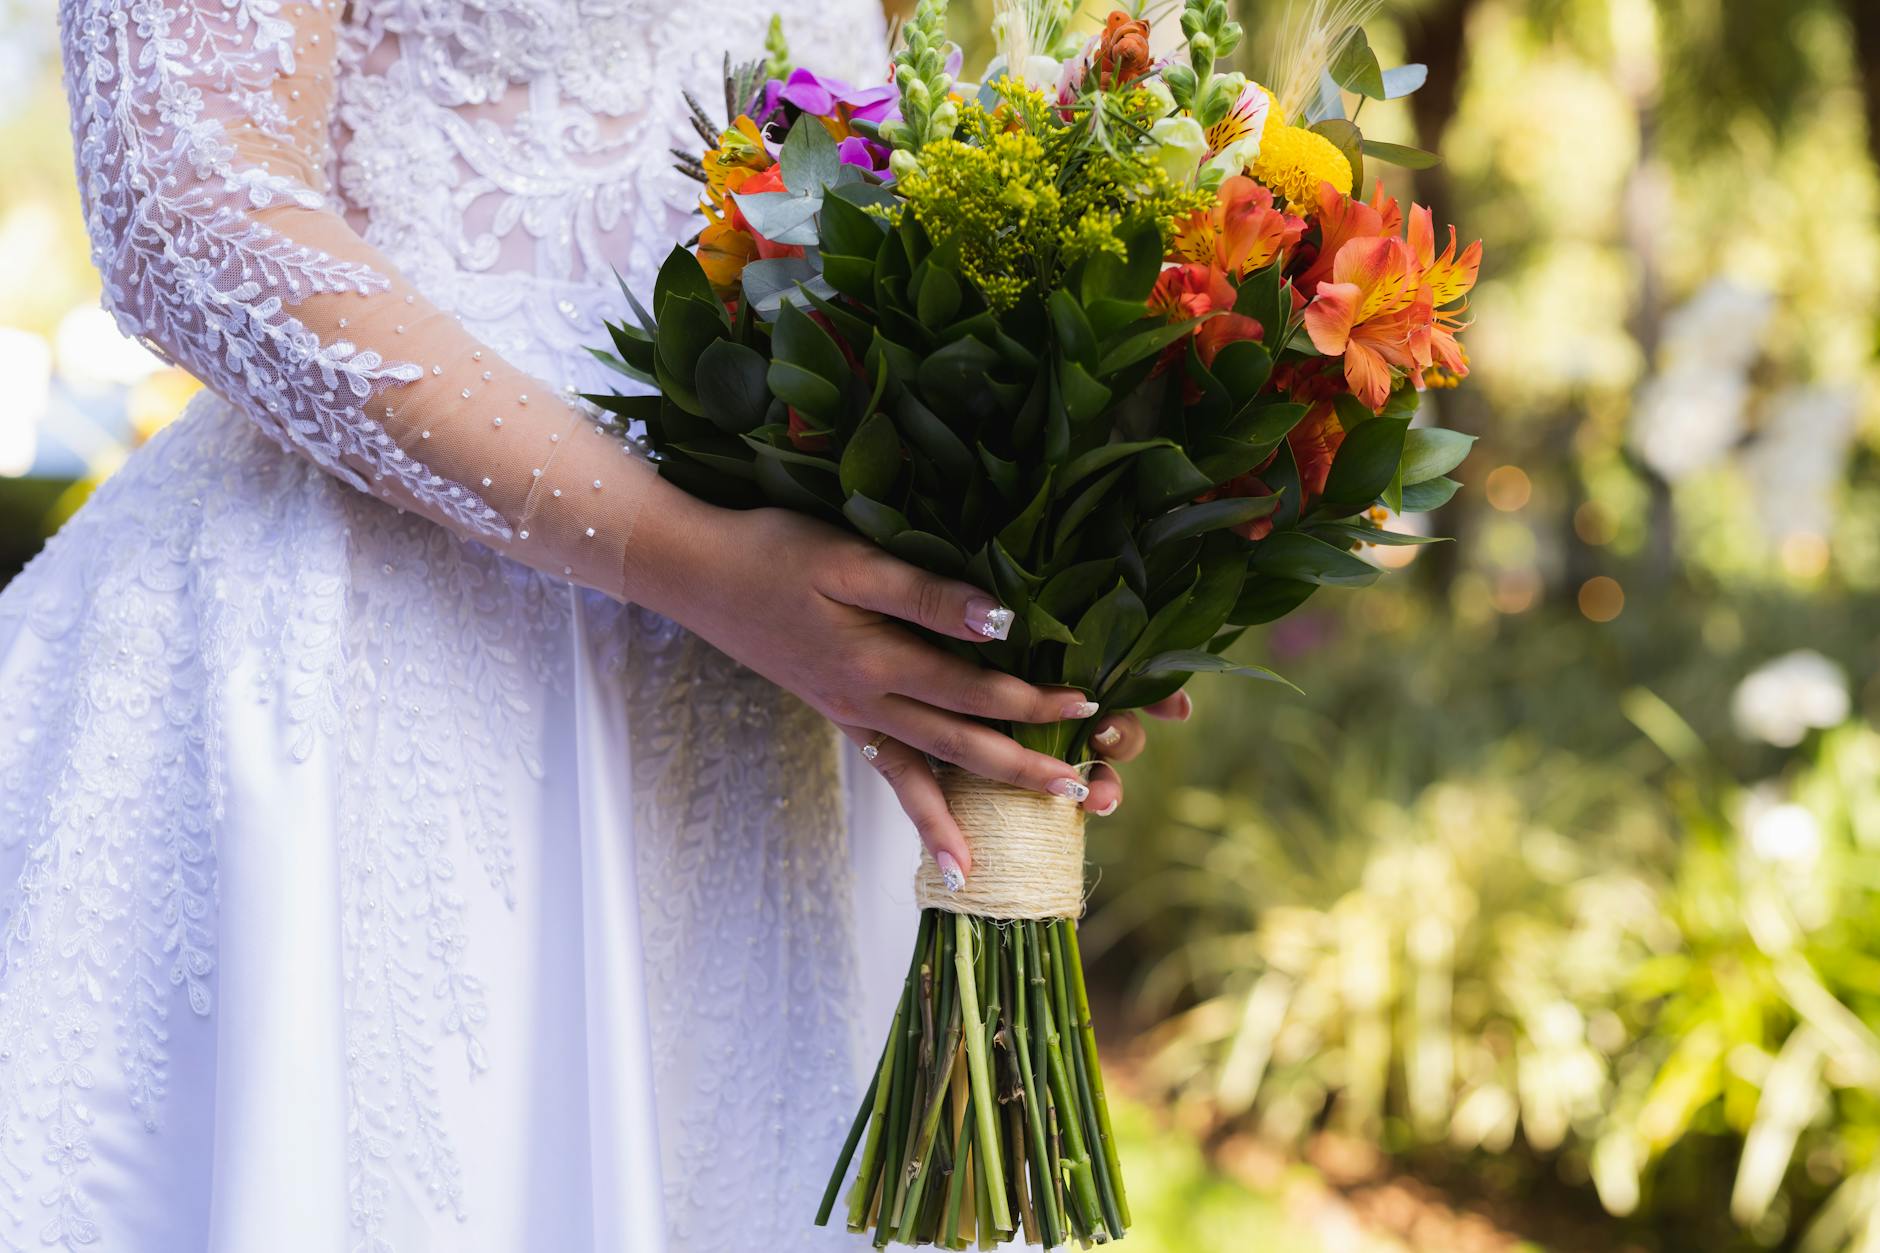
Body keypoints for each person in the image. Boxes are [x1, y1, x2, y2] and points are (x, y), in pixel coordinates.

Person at [0, 0, 1180, 1247]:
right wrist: (688, 559)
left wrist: (1039, 580)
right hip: (399, 669)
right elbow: (189, 209)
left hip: (786, 716)